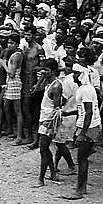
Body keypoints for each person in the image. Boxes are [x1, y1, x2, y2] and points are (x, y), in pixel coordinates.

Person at [61, 62, 102, 200]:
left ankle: (80, 190)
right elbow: (83, 110)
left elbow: (89, 113)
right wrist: (69, 113)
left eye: (76, 73)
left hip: (89, 128)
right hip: (87, 126)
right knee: (82, 158)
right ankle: (81, 187)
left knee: (82, 158)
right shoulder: (84, 89)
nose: (74, 75)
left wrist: (83, 133)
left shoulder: (86, 90)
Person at [34, 58, 63, 187]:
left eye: (46, 70)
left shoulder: (56, 86)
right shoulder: (48, 82)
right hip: (44, 118)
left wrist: (50, 124)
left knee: (43, 149)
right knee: (45, 149)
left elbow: (57, 109)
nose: (43, 72)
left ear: (53, 71)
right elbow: (38, 87)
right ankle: (53, 173)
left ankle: (41, 178)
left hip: (49, 121)